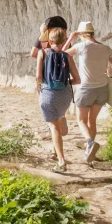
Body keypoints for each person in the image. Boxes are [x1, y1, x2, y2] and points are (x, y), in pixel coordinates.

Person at [64, 20, 112, 164]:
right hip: (102, 90)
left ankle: (90, 143)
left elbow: (62, 54)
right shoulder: (106, 48)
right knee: (92, 120)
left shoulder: (81, 46)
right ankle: (91, 154)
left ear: (82, 34)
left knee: (81, 120)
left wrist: (71, 38)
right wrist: (108, 71)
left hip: (86, 89)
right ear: (93, 33)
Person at [36, 27, 80, 172]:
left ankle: (61, 161)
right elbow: (77, 80)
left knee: (53, 127)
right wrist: (65, 83)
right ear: (63, 40)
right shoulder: (67, 56)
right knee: (57, 120)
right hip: (65, 94)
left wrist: (39, 89)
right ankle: (61, 123)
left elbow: (38, 77)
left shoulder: (42, 53)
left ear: (49, 40)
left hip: (48, 93)